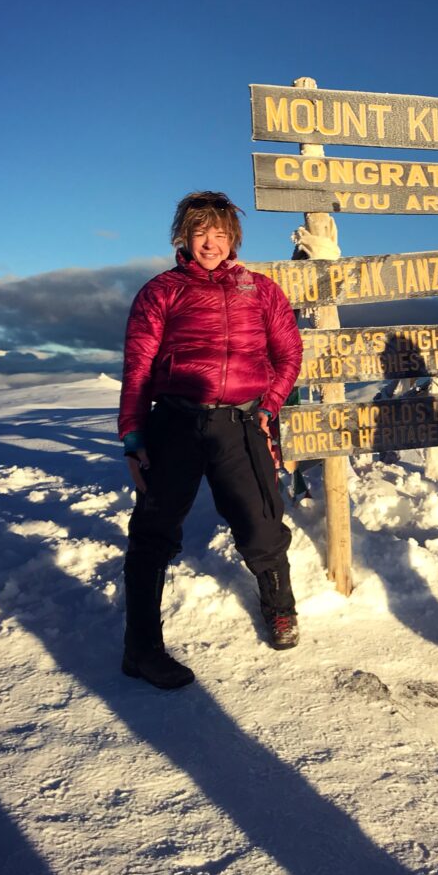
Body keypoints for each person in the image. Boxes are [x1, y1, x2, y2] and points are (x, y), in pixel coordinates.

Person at [117, 191, 303, 689]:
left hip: (241, 423)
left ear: (233, 238)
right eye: (201, 232)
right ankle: (141, 648)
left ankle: (280, 610)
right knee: (154, 532)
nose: (211, 242)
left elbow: (288, 355)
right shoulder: (161, 292)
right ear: (185, 235)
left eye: (220, 233)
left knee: (261, 521)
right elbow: (137, 369)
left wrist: (269, 406)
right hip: (175, 422)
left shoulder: (261, 291)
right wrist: (133, 435)